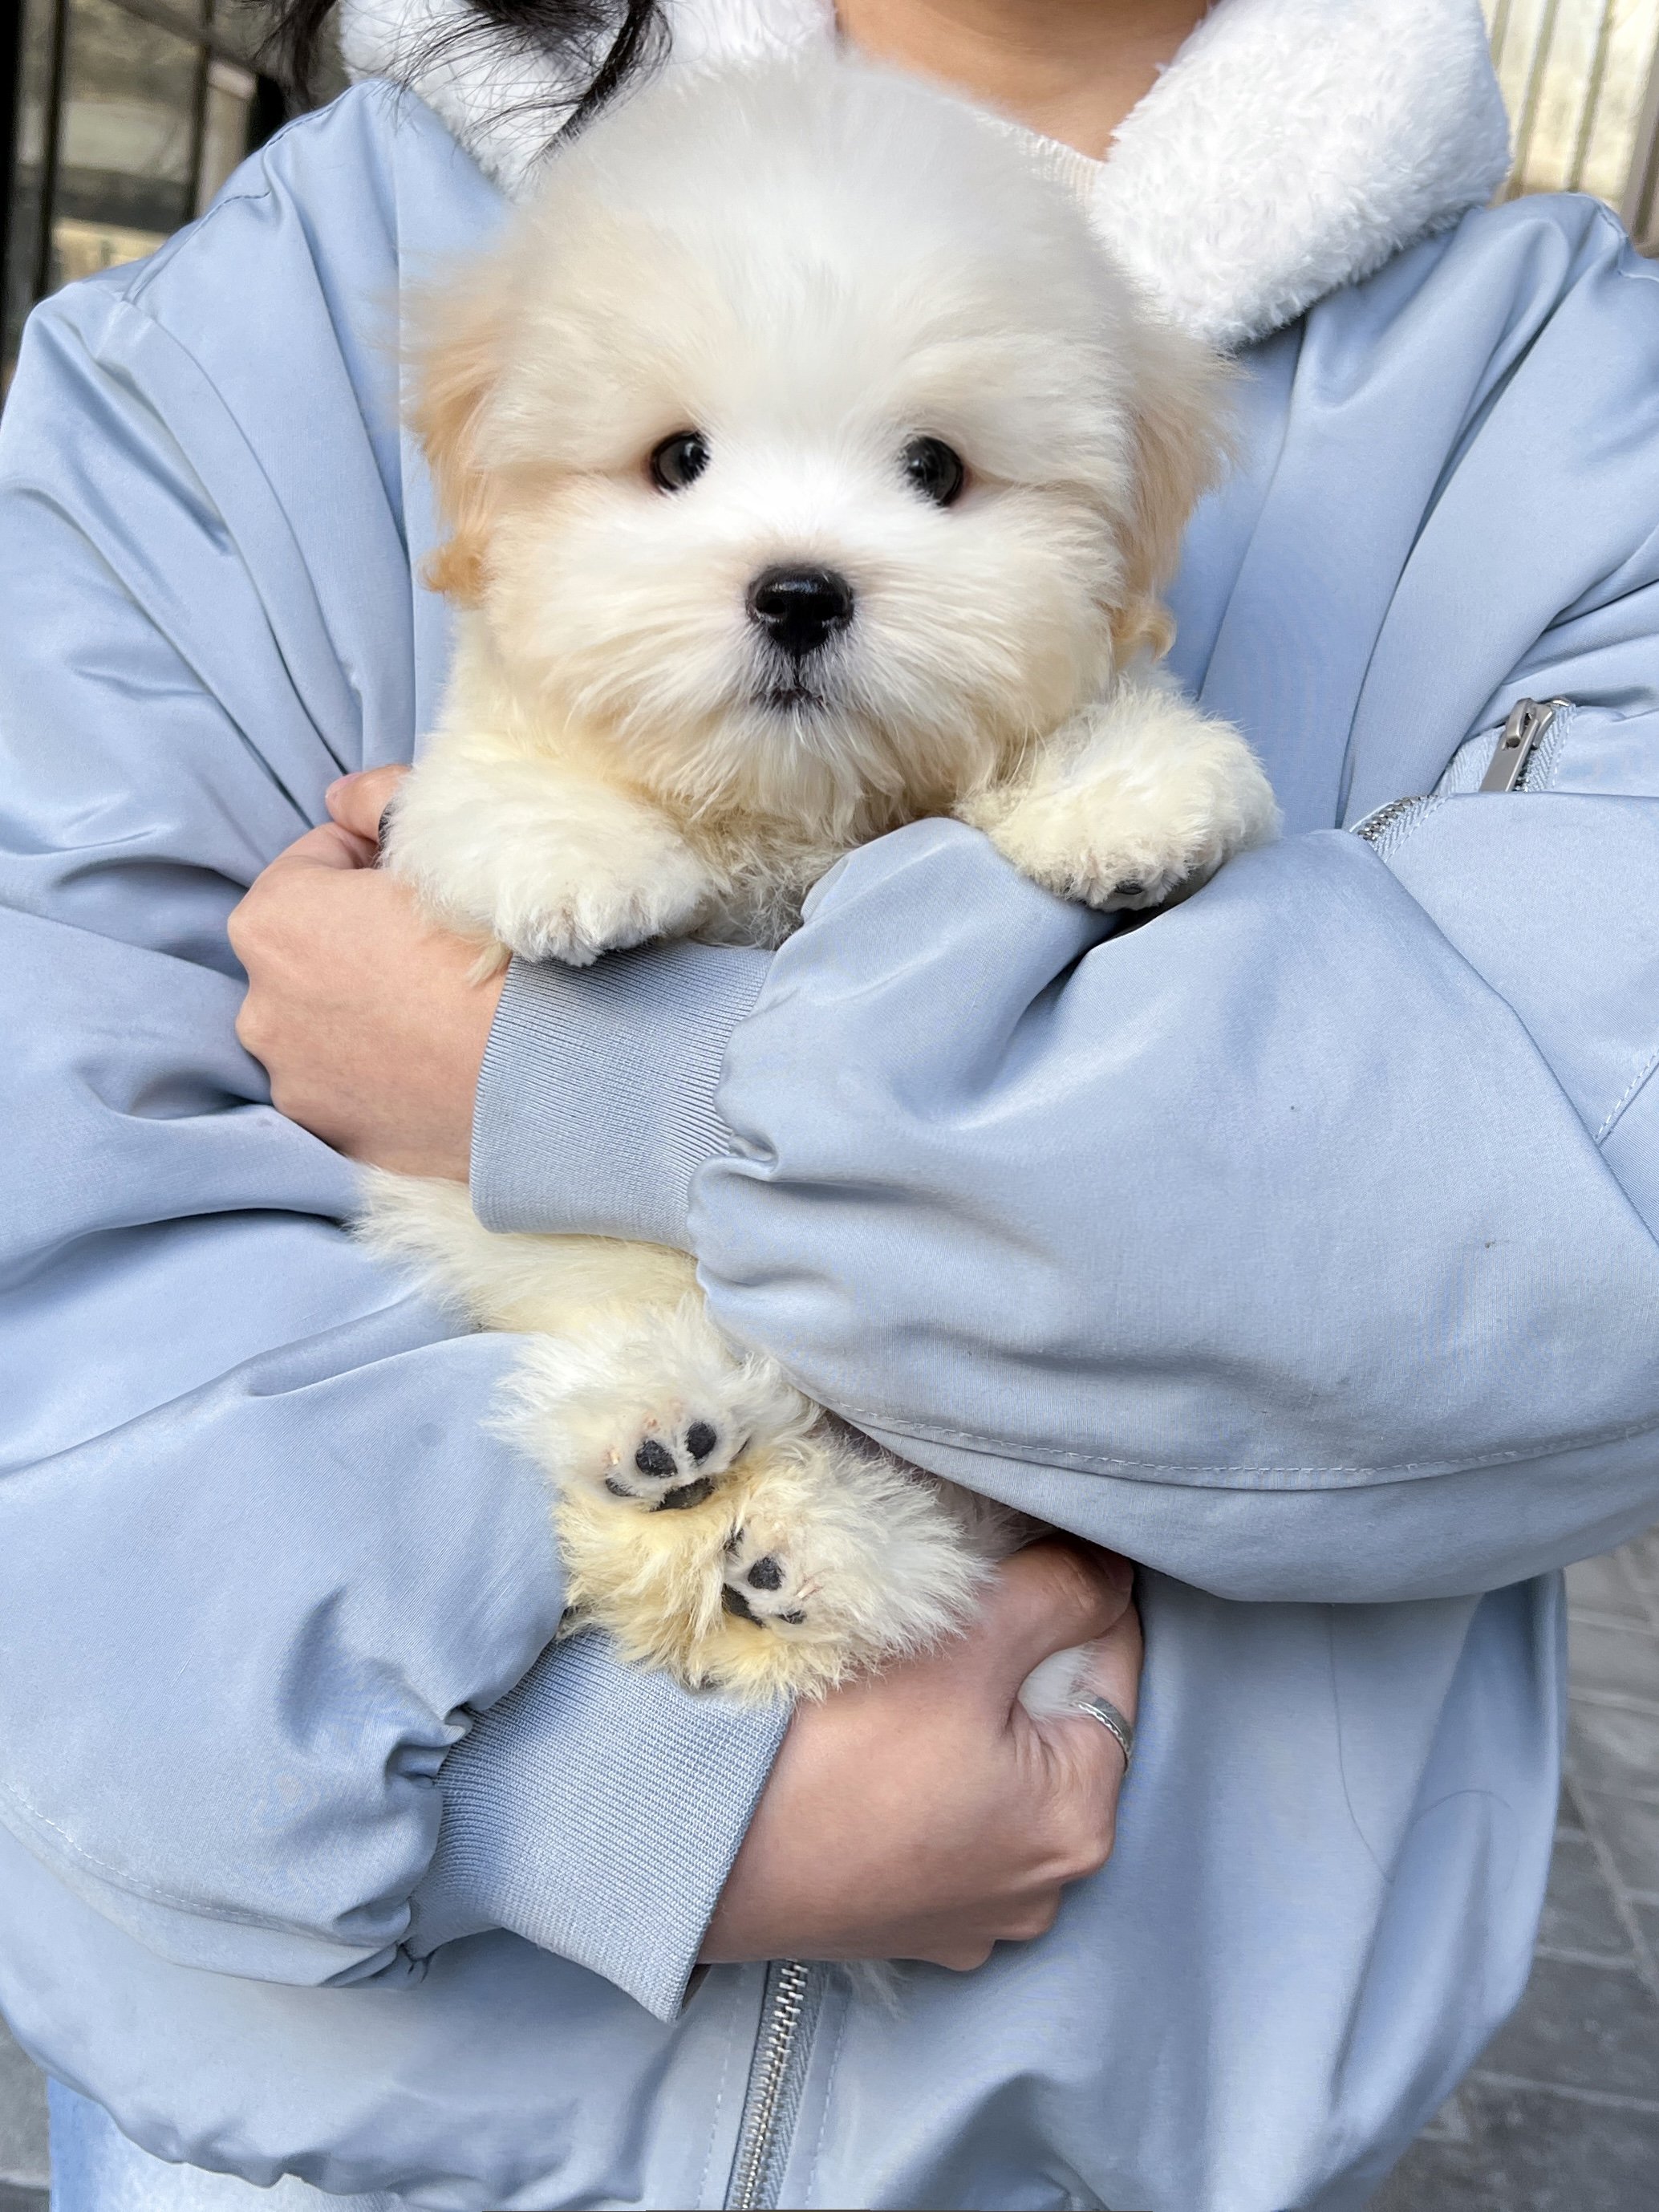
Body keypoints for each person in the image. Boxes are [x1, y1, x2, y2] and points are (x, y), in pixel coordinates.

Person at [2, 0, 1657, 2205]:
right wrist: (593, 1795)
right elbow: (51, 1206)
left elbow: (1578, 1258)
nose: (791, 561)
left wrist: (575, 1071)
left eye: (943, 478)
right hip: (319, 2110)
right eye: (674, 465)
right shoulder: (272, 302)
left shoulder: (1574, 409)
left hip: (1116, 2122)